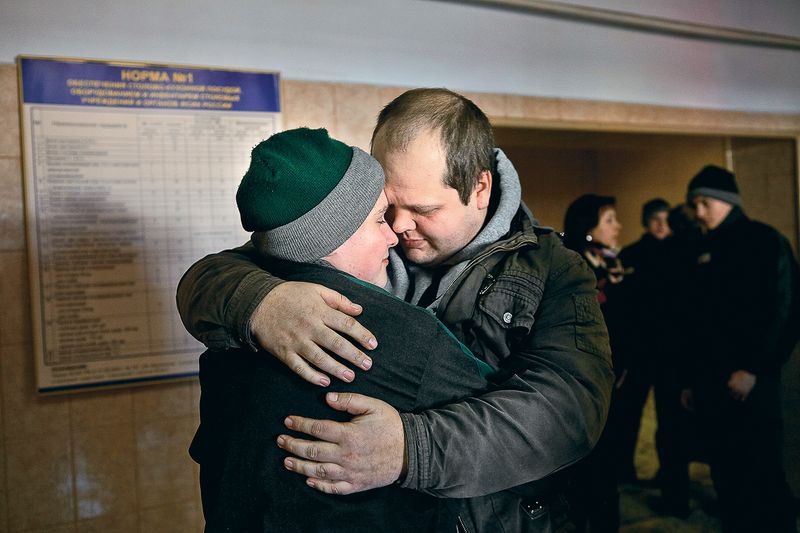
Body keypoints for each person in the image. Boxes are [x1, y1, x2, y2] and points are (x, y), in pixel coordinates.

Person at [178, 88, 615, 531]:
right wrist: (258, 302)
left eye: (423, 209)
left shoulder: (555, 271)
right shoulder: (357, 237)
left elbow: (568, 412)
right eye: (387, 207)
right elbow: (215, 271)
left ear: (480, 188)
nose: (399, 228)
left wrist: (412, 450)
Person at [190, 127, 495, 531]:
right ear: (332, 237)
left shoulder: (229, 322)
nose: (394, 236)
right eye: (377, 221)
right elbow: (506, 419)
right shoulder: (399, 334)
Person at [681, 165, 800, 533]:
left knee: (761, 471)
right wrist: (689, 380)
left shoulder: (765, 241)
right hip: (709, 382)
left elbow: (785, 311)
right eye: (695, 205)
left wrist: (754, 369)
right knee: (724, 472)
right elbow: (693, 323)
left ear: (727, 201)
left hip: (753, 385)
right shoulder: (701, 246)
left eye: (705, 203)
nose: (699, 212)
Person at [562, 194, 626, 532]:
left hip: (614, 378)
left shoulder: (613, 262)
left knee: (607, 468)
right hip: (581, 382)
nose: (618, 227)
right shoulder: (574, 265)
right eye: (610, 221)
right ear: (588, 228)